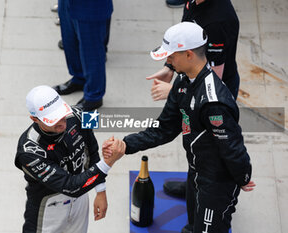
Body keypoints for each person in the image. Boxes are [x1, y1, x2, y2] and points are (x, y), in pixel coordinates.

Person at [102, 22, 255, 233]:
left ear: (189, 54)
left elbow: (232, 147)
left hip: (217, 181)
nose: (168, 61)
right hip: (197, 170)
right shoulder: (183, 81)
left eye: (171, 56)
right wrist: (125, 144)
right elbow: (163, 129)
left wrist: (243, 177)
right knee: (193, 223)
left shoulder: (213, 102)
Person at [148, 0, 242, 208]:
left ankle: (203, 202)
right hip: (195, 82)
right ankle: (193, 183)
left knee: (209, 149)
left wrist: (173, 91)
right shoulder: (193, 1)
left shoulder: (218, 21)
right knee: (194, 143)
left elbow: (212, 86)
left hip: (215, 96)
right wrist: (170, 68)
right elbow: (183, 37)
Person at [15, 85, 124, 233]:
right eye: (52, 119)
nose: (61, 122)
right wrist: (108, 162)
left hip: (81, 198)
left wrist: (101, 190)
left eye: (62, 113)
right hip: (48, 207)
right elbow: (71, 187)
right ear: (34, 119)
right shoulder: (28, 151)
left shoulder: (80, 113)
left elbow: (92, 151)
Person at [53, 0, 113, 111]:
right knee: (70, 40)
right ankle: (79, 79)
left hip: (90, 6)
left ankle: (94, 96)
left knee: (92, 51)